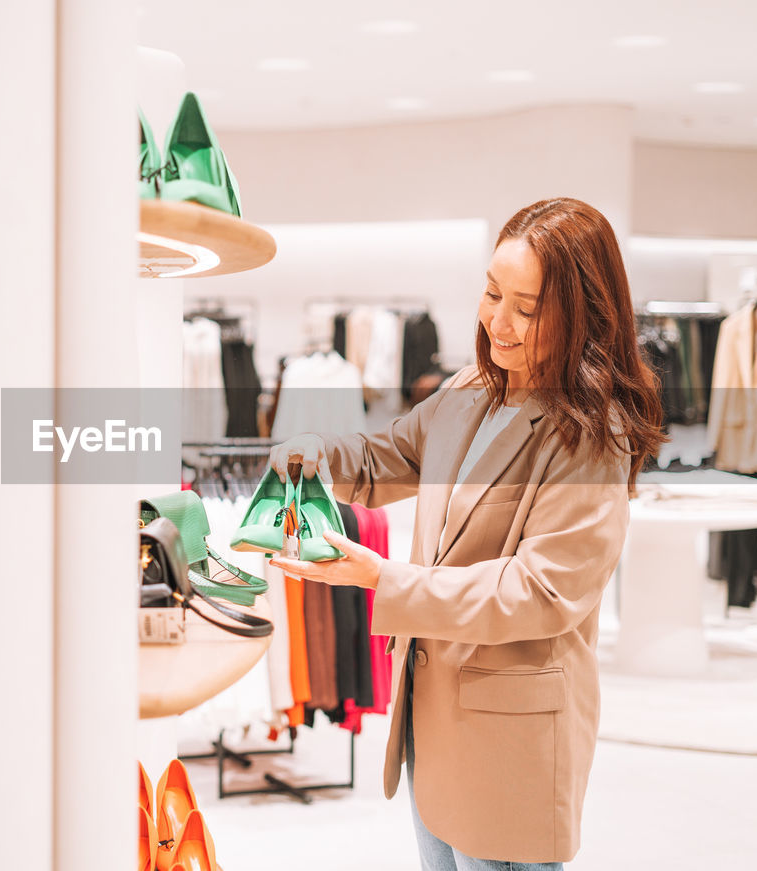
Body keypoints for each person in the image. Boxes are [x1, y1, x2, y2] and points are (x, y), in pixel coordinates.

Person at [268, 198, 664, 870]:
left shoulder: (593, 437)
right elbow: (390, 455)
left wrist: (380, 577)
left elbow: (539, 591)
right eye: (490, 292)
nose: (496, 321)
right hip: (435, 715)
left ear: (583, 314)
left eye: (526, 307)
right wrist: (317, 451)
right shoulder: (471, 389)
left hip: (511, 736)